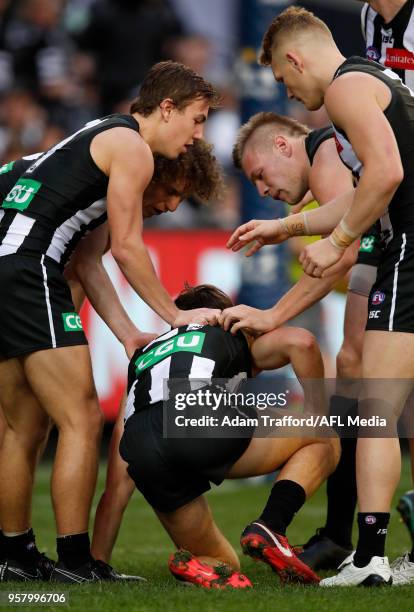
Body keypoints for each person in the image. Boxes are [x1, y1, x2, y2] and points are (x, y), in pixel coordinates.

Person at [0, 60, 221, 583]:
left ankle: (12, 554)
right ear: (165, 108)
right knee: (80, 419)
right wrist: (174, 318)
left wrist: (129, 335)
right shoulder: (133, 148)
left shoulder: (101, 138)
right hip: (29, 268)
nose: (197, 134)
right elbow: (126, 247)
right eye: (197, 119)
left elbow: (89, 261)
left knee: (22, 427)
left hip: (8, 264)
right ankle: (78, 563)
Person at [227, 5, 414, 587]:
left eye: (285, 80)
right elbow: (366, 188)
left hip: (407, 248)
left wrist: (337, 242)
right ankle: (368, 551)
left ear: (295, 58)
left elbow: (384, 177)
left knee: (376, 408)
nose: (291, 91)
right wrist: (283, 228)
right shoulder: (375, 80)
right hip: (403, 243)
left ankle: (369, 558)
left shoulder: (346, 88)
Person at [221, 110, 373, 570]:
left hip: (389, 263)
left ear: (284, 146)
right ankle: (341, 535)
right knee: (354, 373)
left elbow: (341, 253)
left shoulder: (324, 146)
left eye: (261, 176)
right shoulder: (334, 153)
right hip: (382, 264)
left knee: (364, 383)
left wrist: (272, 314)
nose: (262, 191)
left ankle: (349, 538)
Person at [118, 283, 339, 588]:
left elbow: (119, 477)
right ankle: (271, 526)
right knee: (326, 436)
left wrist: (93, 559)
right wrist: (317, 413)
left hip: (140, 447)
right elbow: (301, 342)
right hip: (195, 418)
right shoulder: (223, 328)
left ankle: (198, 564)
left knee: (225, 566)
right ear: (220, 314)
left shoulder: (147, 352)